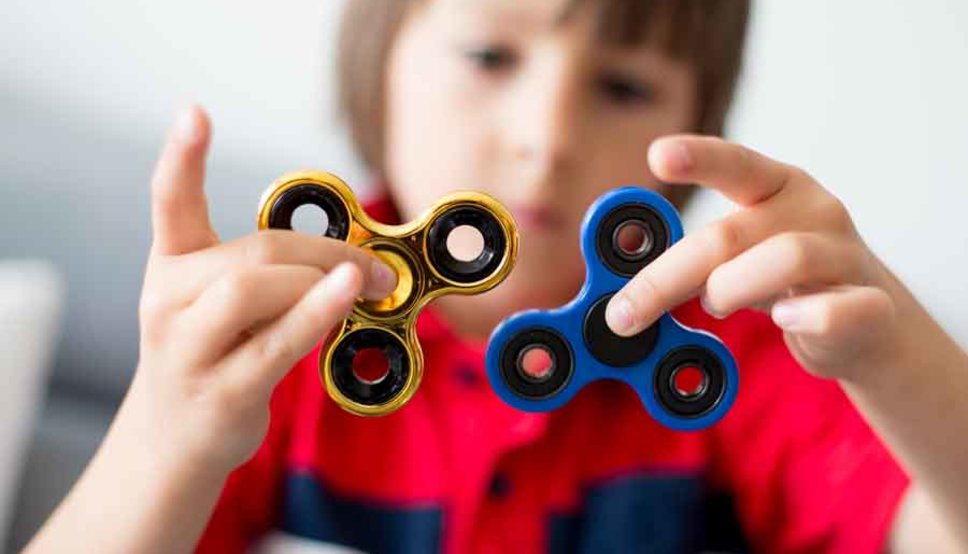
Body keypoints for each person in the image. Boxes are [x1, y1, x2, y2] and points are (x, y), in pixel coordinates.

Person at [24, 0, 968, 552]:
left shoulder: (743, 359)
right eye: (489, 56)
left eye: (623, 86)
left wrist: (899, 360)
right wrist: (165, 435)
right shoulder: (284, 346)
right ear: (378, 70)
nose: (546, 137)